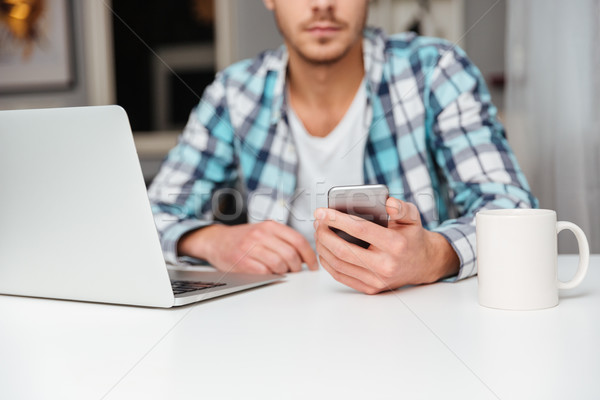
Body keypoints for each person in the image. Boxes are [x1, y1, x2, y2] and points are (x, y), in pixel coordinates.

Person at [147, 0, 537, 294]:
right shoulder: (235, 93)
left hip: (413, 321)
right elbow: (149, 213)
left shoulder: (436, 70)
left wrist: (434, 255)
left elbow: (512, 210)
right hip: (273, 329)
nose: (322, 5)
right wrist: (212, 240)